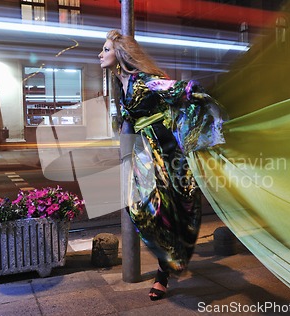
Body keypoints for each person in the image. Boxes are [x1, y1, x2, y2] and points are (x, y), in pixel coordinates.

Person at [98, 29, 226, 300]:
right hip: (143, 155)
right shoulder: (121, 85)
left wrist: (215, 113)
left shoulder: (144, 81)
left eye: (106, 49)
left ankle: (162, 275)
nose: (101, 53)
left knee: (168, 211)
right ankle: (169, 261)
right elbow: (128, 123)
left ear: (120, 54)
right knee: (140, 208)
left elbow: (187, 90)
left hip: (166, 152)